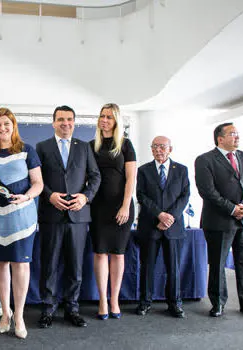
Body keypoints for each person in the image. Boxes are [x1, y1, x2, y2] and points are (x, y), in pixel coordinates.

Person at [0, 107, 43, 339]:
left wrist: (27, 196)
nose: (2, 128)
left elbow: (38, 184)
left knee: (21, 264)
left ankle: (20, 315)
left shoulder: (27, 151)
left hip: (21, 216)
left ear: (13, 126)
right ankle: (6, 312)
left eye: (6, 124)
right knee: (0, 263)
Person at [36, 105, 101, 328]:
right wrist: (49, 195)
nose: (66, 123)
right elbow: (36, 180)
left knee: (76, 265)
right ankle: (48, 309)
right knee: (50, 264)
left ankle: (72, 308)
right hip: (51, 215)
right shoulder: (42, 147)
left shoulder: (84, 148)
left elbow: (95, 177)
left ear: (74, 122)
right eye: (61, 119)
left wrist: (85, 197)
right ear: (53, 122)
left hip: (78, 216)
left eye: (70, 119)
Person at [195, 122, 243, 318]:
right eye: (233, 133)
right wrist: (232, 209)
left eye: (237, 133)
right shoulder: (204, 160)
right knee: (218, 265)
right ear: (220, 138)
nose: (237, 137)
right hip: (219, 221)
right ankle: (218, 303)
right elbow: (207, 191)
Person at [89, 103, 136, 320]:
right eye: (102, 116)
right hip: (98, 207)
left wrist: (126, 205)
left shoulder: (126, 145)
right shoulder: (91, 146)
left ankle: (114, 299)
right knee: (100, 253)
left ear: (116, 120)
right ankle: (102, 300)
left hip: (121, 207)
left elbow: (131, 178)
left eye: (109, 116)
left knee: (118, 253)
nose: (104, 120)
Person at [135, 136, 190, 318]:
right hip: (151, 225)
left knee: (173, 267)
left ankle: (174, 303)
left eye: (162, 147)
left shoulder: (181, 170)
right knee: (147, 266)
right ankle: (145, 302)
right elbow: (141, 196)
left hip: (173, 227)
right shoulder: (144, 170)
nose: (158, 150)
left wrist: (170, 217)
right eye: (155, 147)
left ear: (170, 149)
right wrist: (159, 214)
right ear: (151, 149)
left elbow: (184, 196)